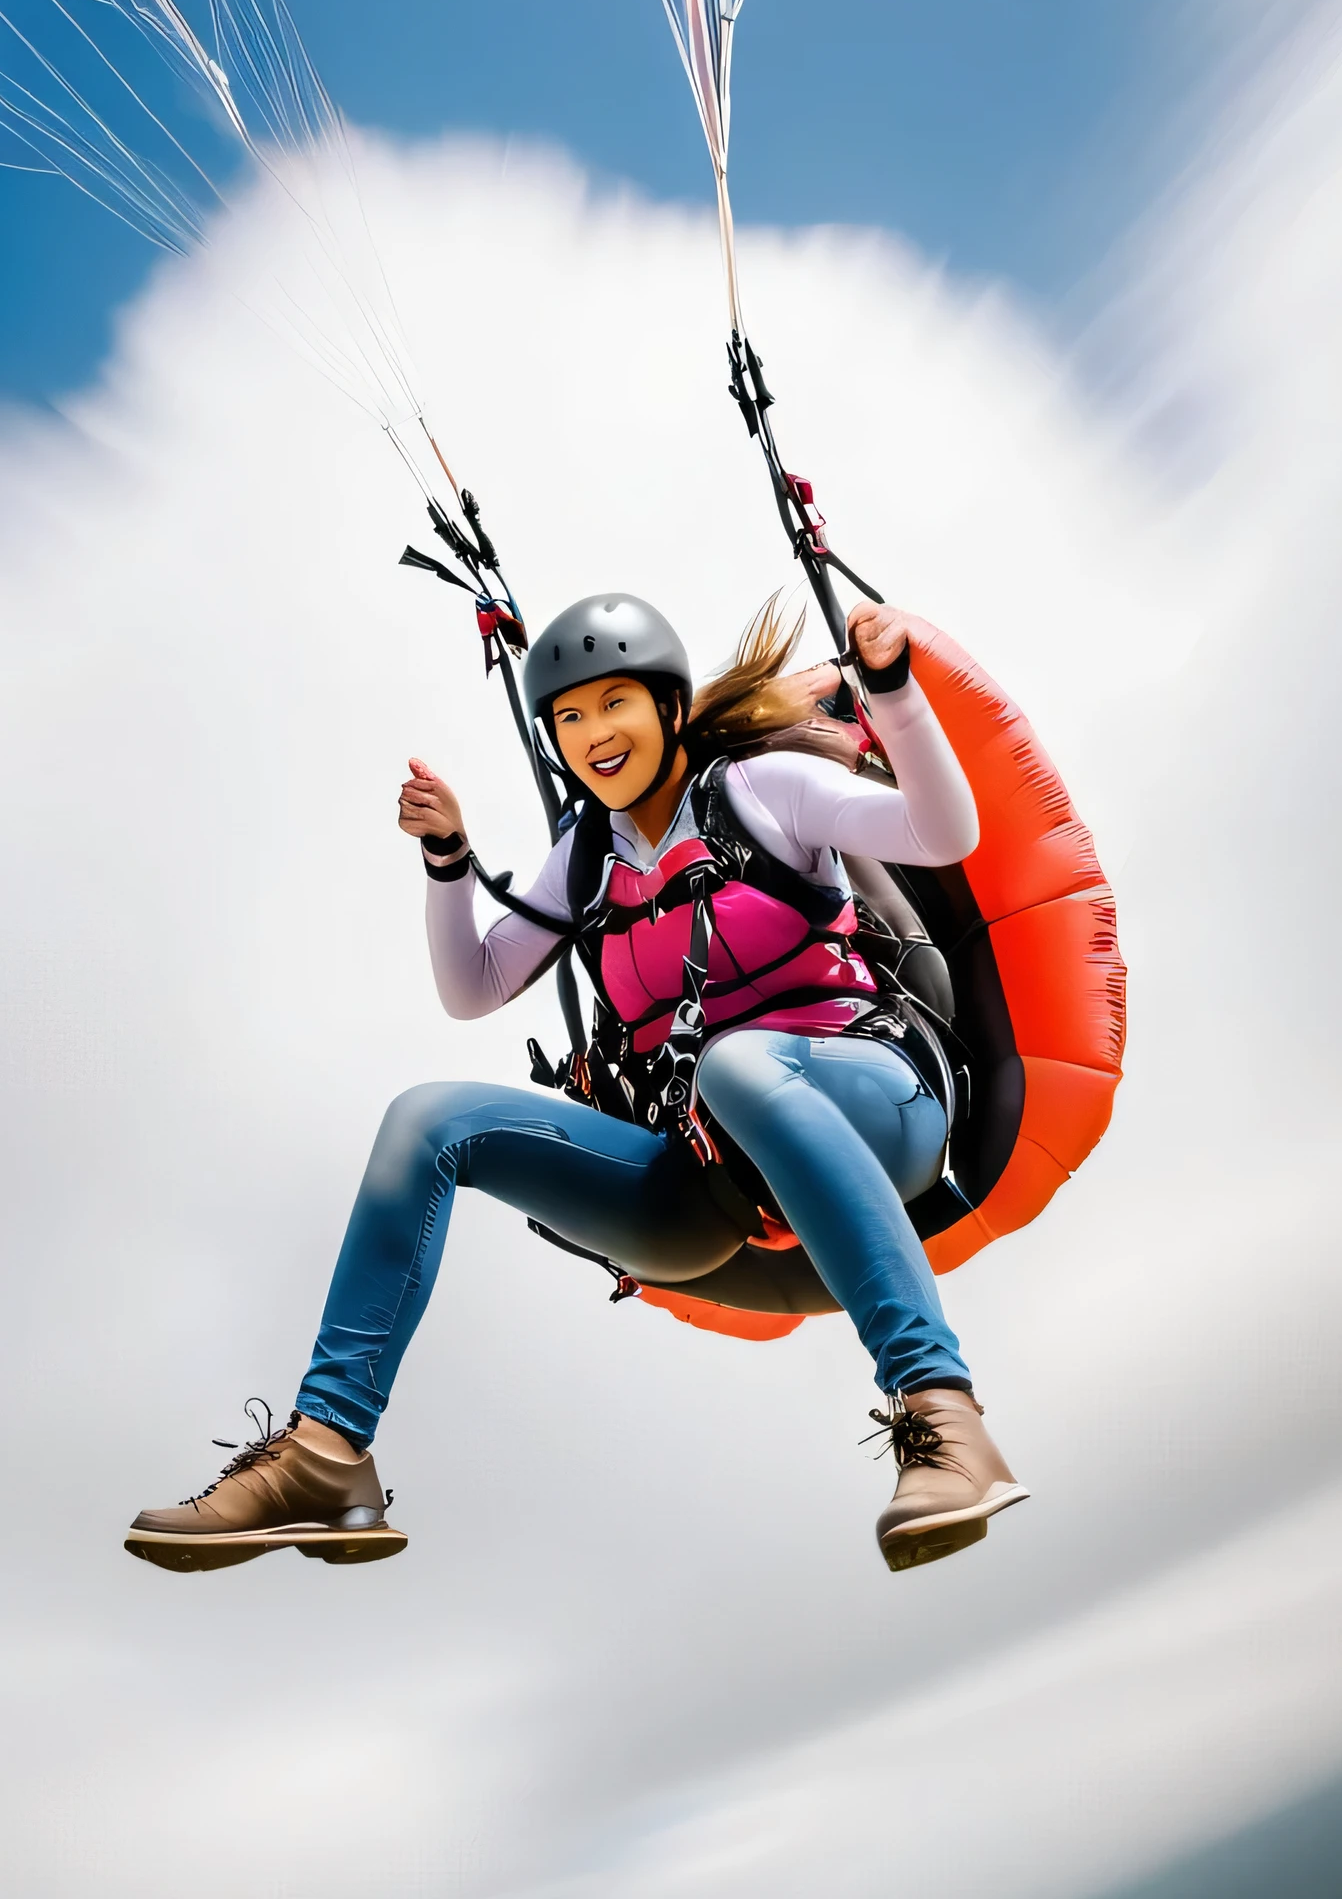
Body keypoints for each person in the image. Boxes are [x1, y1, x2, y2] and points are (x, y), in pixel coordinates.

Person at [126, 592, 1027, 1580]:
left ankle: (942, 1413)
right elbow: (473, 988)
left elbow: (943, 833)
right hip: (713, 1175)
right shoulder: (585, 859)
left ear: (669, 707)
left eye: (614, 703)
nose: (593, 733)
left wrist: (892, 691)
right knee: (428, 1120)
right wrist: (447, 864)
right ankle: (326, 1452)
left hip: (877, 1104)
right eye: (570, 716)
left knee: (736, 1061)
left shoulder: (767, 791)